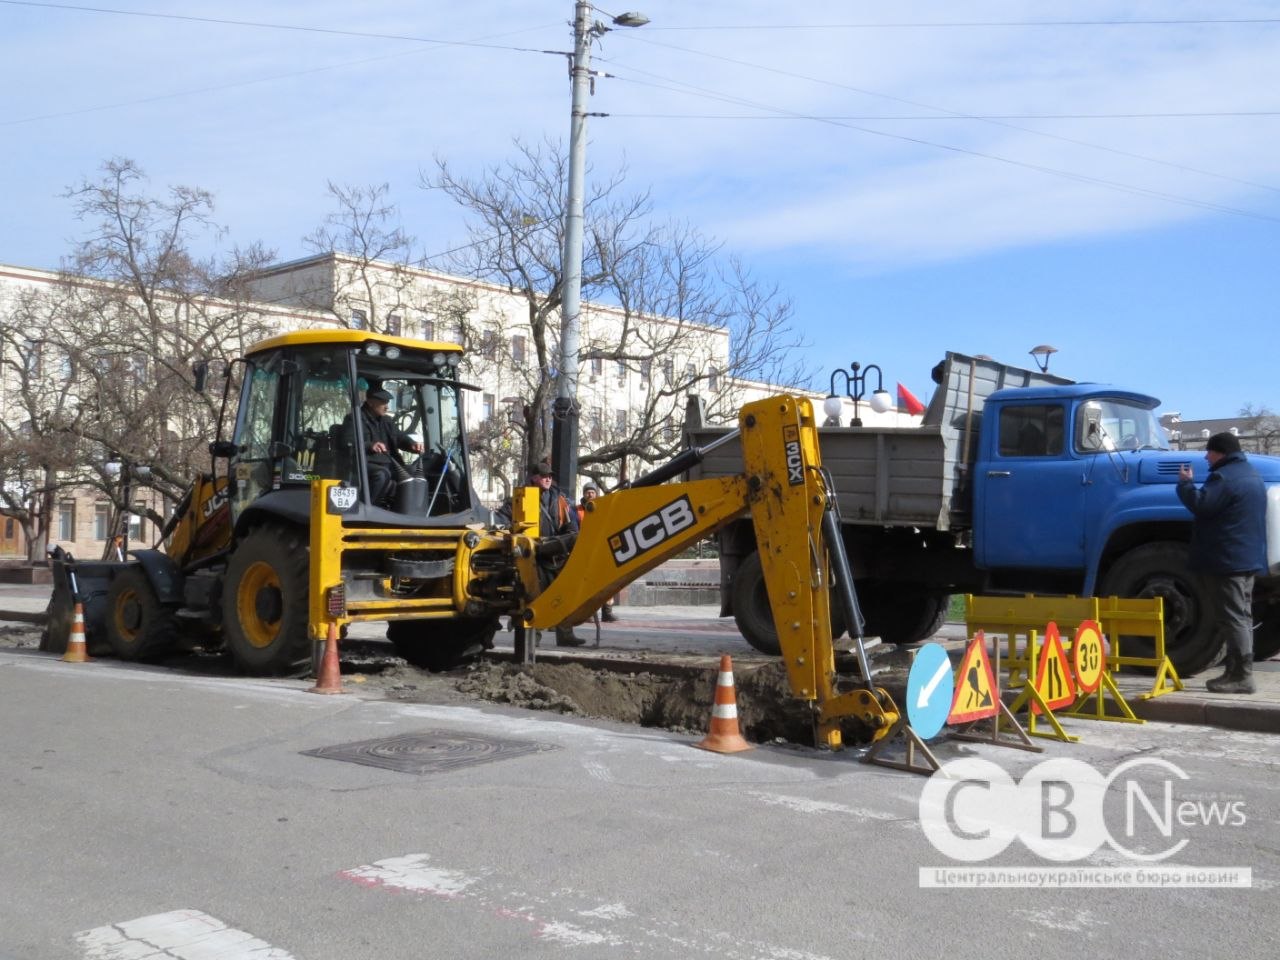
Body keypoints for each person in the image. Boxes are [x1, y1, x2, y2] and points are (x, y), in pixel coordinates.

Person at [1177, 431, 1268, 694]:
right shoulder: (1251, 474)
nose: (1206, 456)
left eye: (1209, 452)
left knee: (1232, 618)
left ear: (1221, 453)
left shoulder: (1223, 477)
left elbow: (1202, 504)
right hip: (1246, 558)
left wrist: (1185, 485)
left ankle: (1241, 676)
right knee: (1242, 615)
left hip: (1227, 561)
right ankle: (1236, 672)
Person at [526, 460, 586, 647]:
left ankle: (565, 633)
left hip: (556, 553)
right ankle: (532, 639)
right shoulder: (522, 497)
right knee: (536, 597)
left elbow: (571, 528)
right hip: (533, 557)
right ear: (534, 478)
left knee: (564, 594)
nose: (548, 479)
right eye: (544, 476)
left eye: (550, 476)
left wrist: (561, 543)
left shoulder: (560, 499)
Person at [344, 387, 424, 507]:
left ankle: (406, 509)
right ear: (370, 402)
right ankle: (367, 508)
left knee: (414, 472)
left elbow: (399, 437)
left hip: (390, 464)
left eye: (387, 403)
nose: (387, 406)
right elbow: (348, 441)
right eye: (383, 403)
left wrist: (412, 444)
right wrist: (370, 445)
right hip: (364, 465)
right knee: (382, 474)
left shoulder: (387, 421)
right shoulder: (354, 419)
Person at [578, 482, 618, 623]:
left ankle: (607, 611)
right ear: (583, 494)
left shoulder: (602, 509)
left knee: (606, 581)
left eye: (592, 492)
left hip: (601, 551)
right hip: (584, 552)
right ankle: (588, 613)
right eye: (587, 492)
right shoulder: (578, 511)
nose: (590, 494)